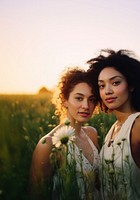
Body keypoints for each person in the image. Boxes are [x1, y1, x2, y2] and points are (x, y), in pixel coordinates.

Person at [87, 49, 140, 200]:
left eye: (115, 82)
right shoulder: (113, 130)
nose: (108, 91)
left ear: (131, 85)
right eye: (101, 86)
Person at [30, 67, 100, 200]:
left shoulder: (92, 134)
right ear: (64, 100)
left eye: (91, 99)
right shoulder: (48, 144)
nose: (86, 105)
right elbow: (37, 194)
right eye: (79, 98)